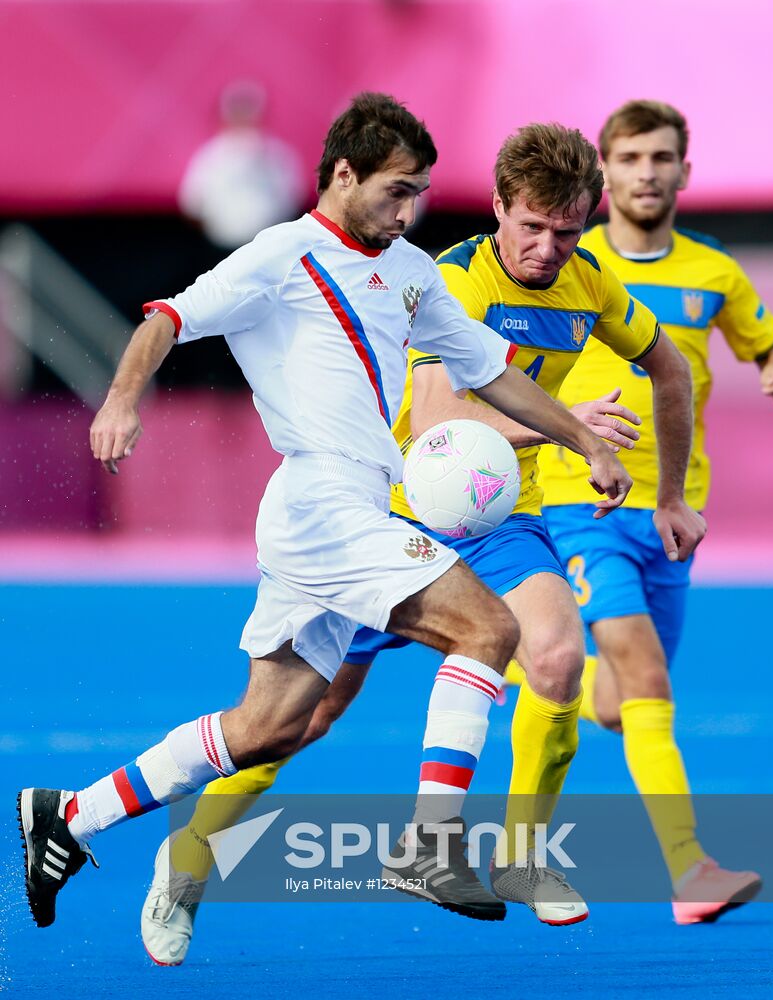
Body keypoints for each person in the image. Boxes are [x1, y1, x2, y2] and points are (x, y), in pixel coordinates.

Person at [18, 94, 634, 934]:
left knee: (270, 727)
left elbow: (491, 371)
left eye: (418, 192)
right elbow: (168, 318)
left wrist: (585, 444)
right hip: (323, 501)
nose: (409, 209)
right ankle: (428, 845)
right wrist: (121, 401)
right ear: (344, 173)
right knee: (487, 632)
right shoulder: (280, 255)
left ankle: (69, 813)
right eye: (396, 190)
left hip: (341, 507)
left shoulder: (413, 270)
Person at [140, 122, 702, 965]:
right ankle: (185, 861)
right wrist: (562, 431)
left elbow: (672, 369)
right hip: (392, 515)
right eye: (532, 228)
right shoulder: (448, 281)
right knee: (302, 719)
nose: (549, 248)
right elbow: (437, 426)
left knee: (553, 659)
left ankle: (517, 858)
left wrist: (667, 495)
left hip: (498, 520)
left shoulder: (590, 285)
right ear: (499, 207)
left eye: (568, 231)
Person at [536, 99, 773, 925]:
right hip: (580, 500)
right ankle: (689, 871)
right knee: (648, 677)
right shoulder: (566, 268)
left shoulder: (712, 271)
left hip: (672, 517)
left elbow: (763, 339)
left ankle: (530, 663)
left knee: (619, 701)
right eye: (629, 158)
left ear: (685, 171)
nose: (645, 172)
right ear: (602, 172)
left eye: (660, 157)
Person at [178, 79, 306, 251]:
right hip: (220, 248)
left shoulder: (279, 156)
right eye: (239, 110)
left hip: (266, 249)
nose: (244, 117)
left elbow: (292, 198)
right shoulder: (209, 156)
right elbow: (192, 204)